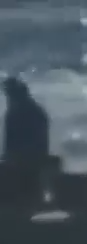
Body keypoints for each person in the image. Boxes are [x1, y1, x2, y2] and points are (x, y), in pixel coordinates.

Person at [1, 76, 50, 211]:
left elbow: (38, 141)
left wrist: (13, 157)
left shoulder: (27, 112)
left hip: (29, 157)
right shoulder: (17, 112)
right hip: (25, 157)